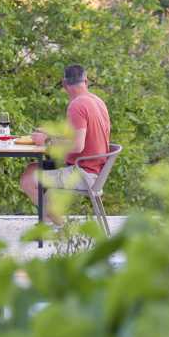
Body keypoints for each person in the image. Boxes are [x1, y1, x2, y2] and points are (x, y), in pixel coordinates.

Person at [20, 65, 111, 225]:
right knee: (31, 169)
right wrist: (50, 136)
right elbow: (81, 137)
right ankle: (48, 222)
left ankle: (60, 226)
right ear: (86, 81)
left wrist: (47, 142)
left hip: (84, 173)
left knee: (28, 181)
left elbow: (77, 146)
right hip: (94, 168)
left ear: (64, 84)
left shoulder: (77, 106)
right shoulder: (96, 101)